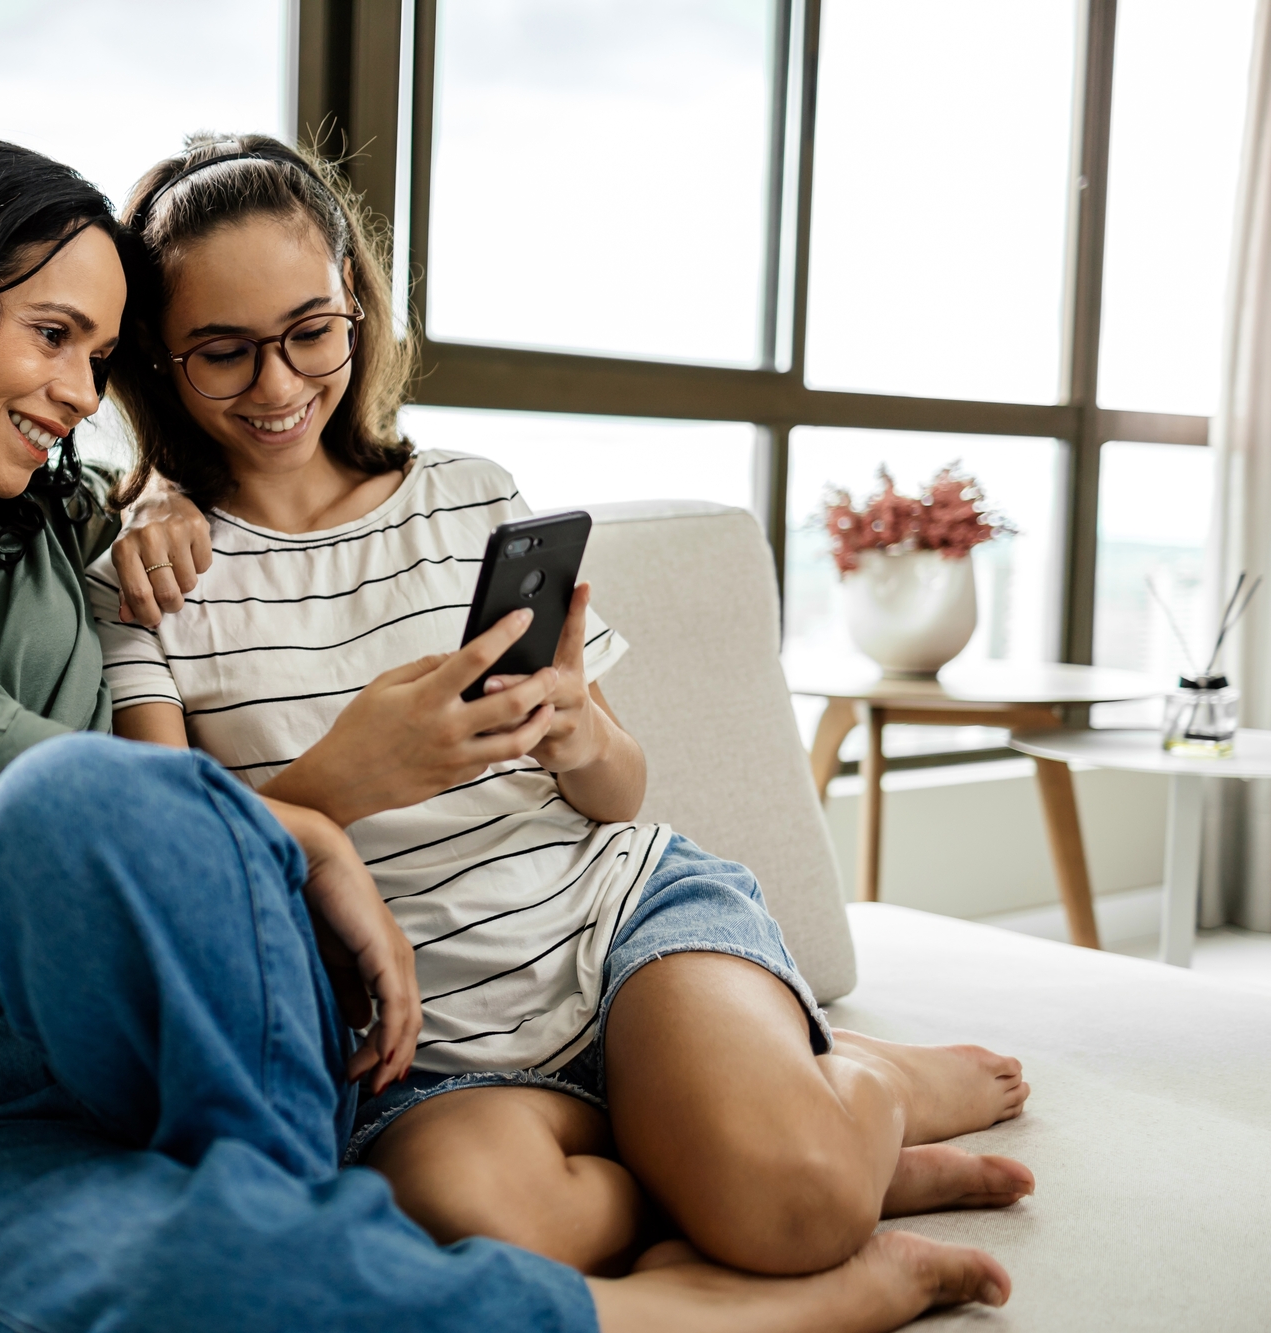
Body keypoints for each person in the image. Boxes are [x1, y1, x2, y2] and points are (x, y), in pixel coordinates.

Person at [94, 133, 1035, 1305]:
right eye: (222, 353)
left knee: (793, 1210)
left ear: (354, 306)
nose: (279, 385)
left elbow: (617, 792)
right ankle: (710, 1140)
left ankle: (862, 1087)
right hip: (420, 1045)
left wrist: (580, 733)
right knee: (491, 1224)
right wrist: (346, 775)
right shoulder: (144, 581)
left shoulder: (471, 496)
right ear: (155, 357)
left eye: (308, 331)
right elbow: (171, 866)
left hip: (617, 932)